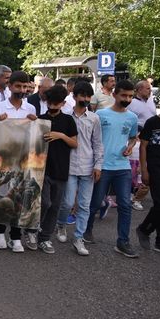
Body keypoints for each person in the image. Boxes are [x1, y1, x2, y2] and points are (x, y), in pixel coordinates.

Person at [84, 80, 139, 258]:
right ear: (114, 94)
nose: (127, 99)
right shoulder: (100, 114)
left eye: (130, 96)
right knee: (95, 202)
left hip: (122, 167)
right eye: (124, 95)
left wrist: (130, 146)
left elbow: (132, 138)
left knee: (125, 205)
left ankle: (123, 242)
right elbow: (91, 139)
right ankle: (87, 230)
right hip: (102, 166)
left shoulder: (132, 117)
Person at [55, 81, 103, 256]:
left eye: (88, 96)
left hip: (88, 166)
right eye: (82, 95)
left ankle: (78, 237)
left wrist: (98, 165)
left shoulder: (94, 118)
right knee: (67, 202)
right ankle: (61, 224)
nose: (85, 99)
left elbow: (98, 144)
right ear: (74, 97)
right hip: (69, 166)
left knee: (84, 205)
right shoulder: (66, 116)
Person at [29, 85, 78, 254]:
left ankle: (45, 238)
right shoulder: (40, 119)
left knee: (55, 206)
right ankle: (32, 231)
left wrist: (61, 135)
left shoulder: (68, 120)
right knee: (44, 202)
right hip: (41, 169)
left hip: (61, 169)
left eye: (57, 103)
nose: (53, 106)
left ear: (63, 103)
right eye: (50, 102)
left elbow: (74, 143)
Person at [0, 71, 37, 253]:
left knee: (19, 197)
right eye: (17, 86)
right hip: (3, 159)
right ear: (10, 86)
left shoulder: (30, 109)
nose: (21, 90)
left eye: (25, 86)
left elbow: (35, 135)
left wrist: (36, 122)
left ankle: (16, 236)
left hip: (23, 159)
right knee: (2, 196)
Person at [135, 110, 160, 252]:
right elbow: (143, 146)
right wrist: (144, 169)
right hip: (156, 168)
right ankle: (144, 230)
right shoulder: (152, 122)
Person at [127, 80, 157, 211]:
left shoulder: (151, 101)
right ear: (138, 90)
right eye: (147, 89)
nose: (149, 91)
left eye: (150, 89)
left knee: (147, 170)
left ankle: (137, 197)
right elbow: (128, 121)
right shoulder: (132, 103)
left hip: (153, 140)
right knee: (135, 171)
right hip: (137, 142)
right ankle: (133, 196)